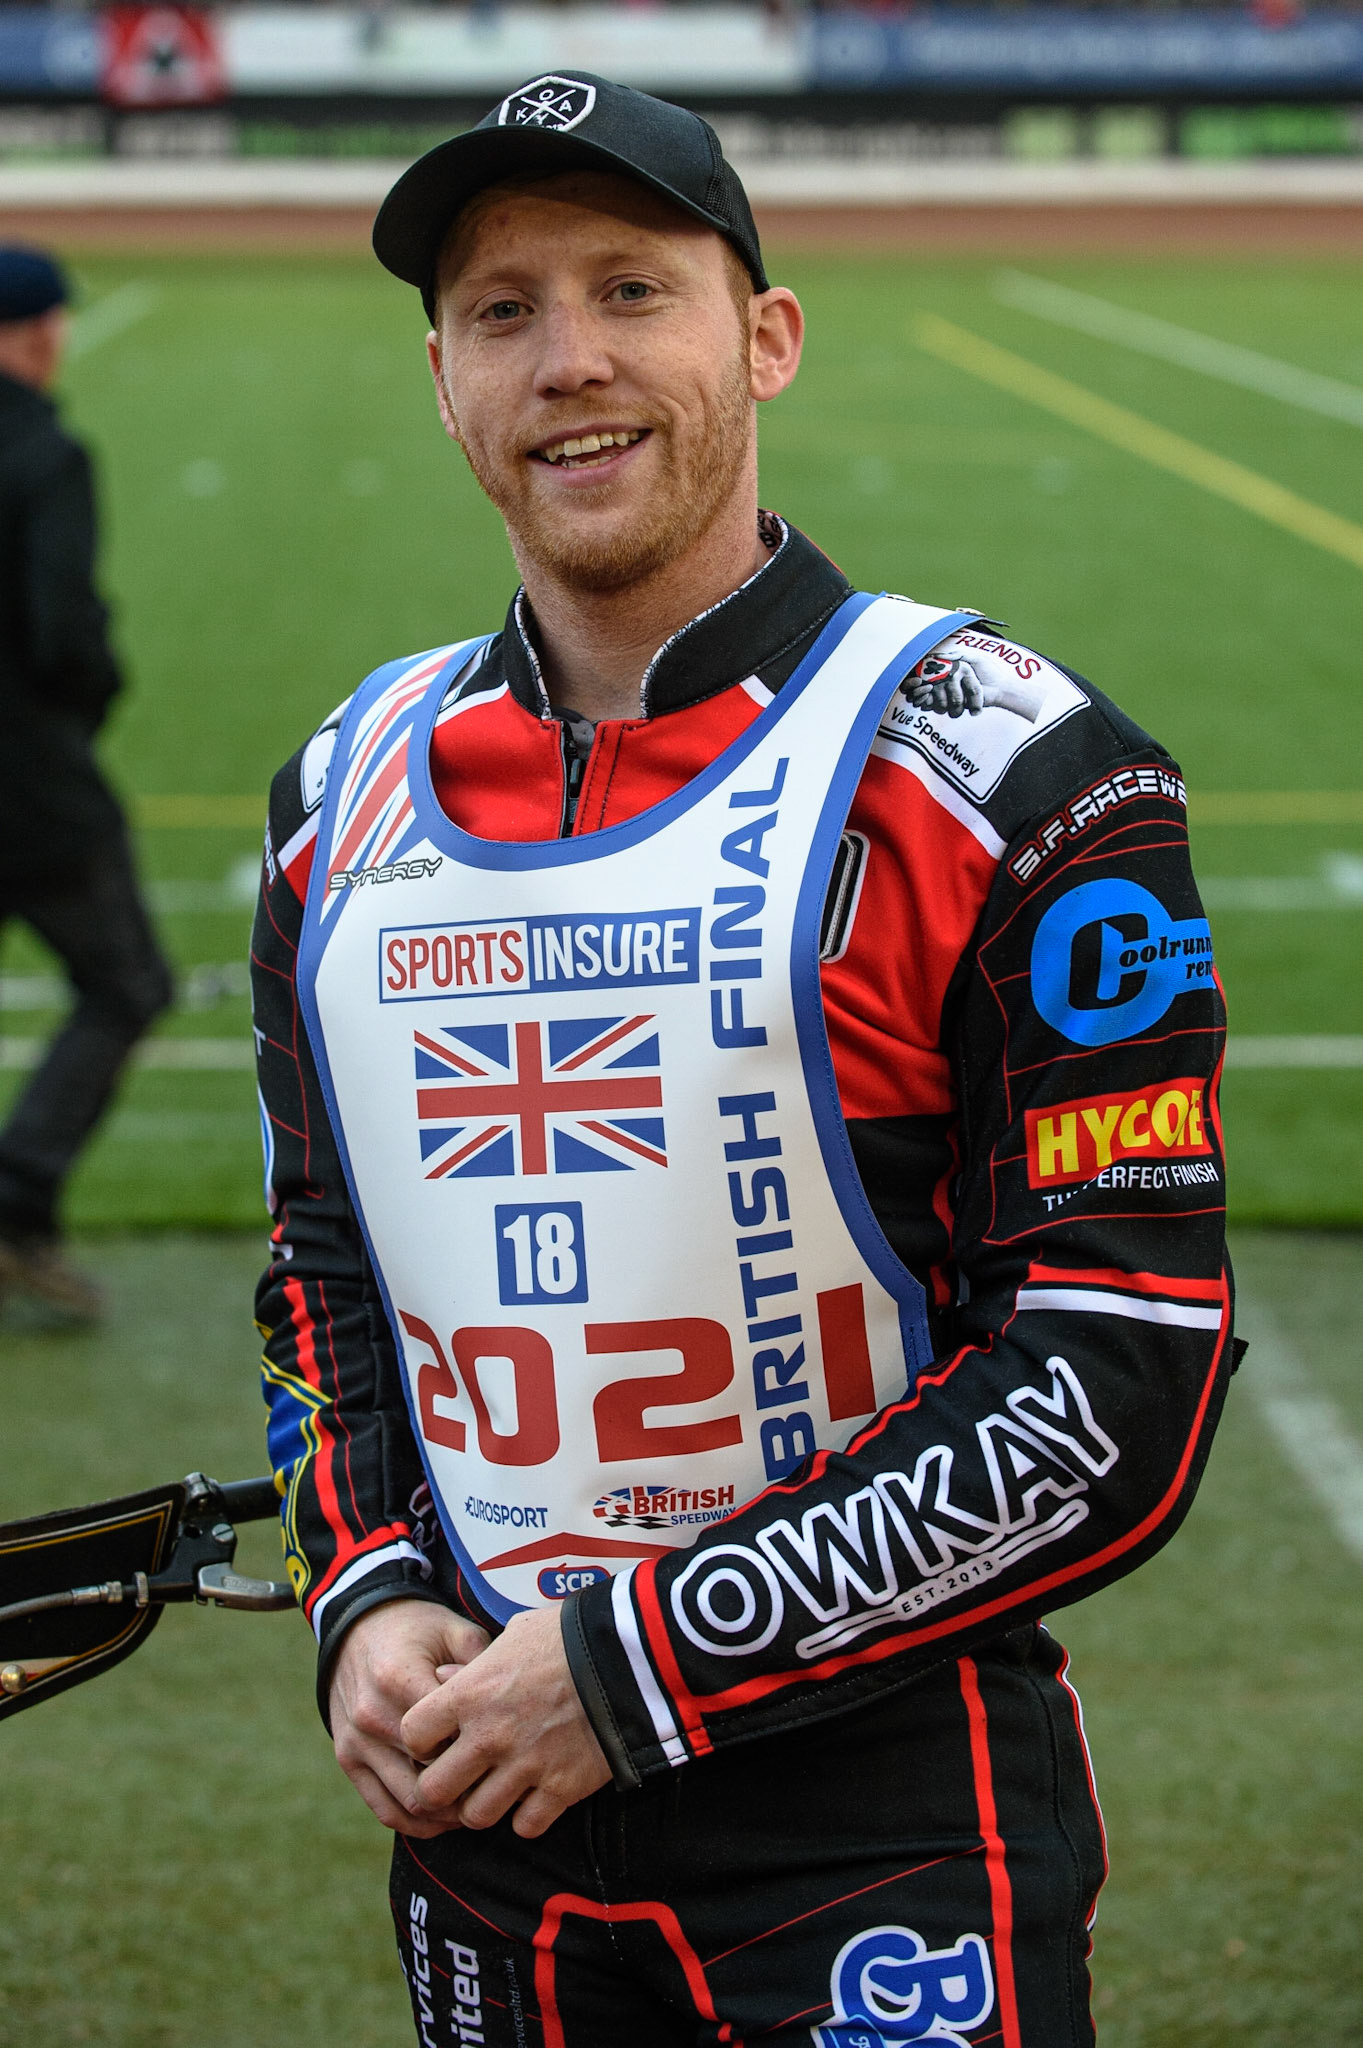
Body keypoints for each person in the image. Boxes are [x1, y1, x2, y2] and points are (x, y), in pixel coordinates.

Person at [253, 74, 1233, 2045]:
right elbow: (324, 1281)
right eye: (502, 309)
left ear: (764, 336)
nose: (569, 360)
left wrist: (633, 1667)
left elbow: (1116, 1374)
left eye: (633, 288)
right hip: (480, 1830)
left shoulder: (1014, 773)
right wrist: (365, 1588)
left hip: (876, 1834)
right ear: (442, 378)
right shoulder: (336, 804)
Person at [0, 246, 171, 1322]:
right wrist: (90, 694)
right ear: (44, 330)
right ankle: (17, 1203)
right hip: (31, 788)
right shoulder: (45, 454)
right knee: (126, 982)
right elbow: (66, 630)